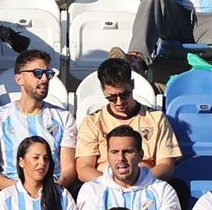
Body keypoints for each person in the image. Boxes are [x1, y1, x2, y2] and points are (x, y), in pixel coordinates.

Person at [0, 50, 77, 192]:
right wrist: (23, 190)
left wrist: (53, 190)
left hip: (51, 191)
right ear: (19, 79)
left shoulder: (63, 117)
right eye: (37, 73)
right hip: (11, 190)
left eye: (48, 74)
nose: (44, 79)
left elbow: (68, 169)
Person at [74, 56, 181, 184]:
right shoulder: (92, 122)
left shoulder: (156, 118)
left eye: (124, 94)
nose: (119, 102)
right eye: (112, 97)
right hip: (105, 186)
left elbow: (166, 165)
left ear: (132, 85)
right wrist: (115, 185)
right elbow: (84, 168)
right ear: (103, 90)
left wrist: (138, 182)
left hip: (147, 184)